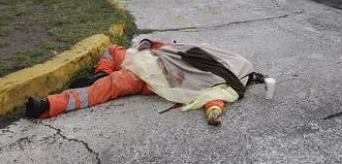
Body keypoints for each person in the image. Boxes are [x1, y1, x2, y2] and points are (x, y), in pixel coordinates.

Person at [25, 39, 260, 126]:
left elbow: (213, 100)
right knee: (111, 50)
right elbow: (168, 47)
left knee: (104, 89)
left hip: (147, 76)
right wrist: (148, 44)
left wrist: (214, 114)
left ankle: (48, 105)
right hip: (142, 58)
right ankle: (101, 72)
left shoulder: (224, 82)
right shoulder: (214, 57)